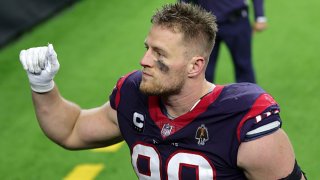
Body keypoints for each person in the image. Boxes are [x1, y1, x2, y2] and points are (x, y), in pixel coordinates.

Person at [19, 3, 306, 180]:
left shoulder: (243, 119)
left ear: (195, 65)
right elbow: (71, 130)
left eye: (159, 53)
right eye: (147, 48)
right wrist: (42, 85)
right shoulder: (134, 95)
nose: (145, 60)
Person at [180, 0, 267, 83]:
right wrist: (181, 19)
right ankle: (203, 98)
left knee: (243, 66)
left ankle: (249, 98)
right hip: (205, 25)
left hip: (236, 21)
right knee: (202, 68)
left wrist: (260, 17)